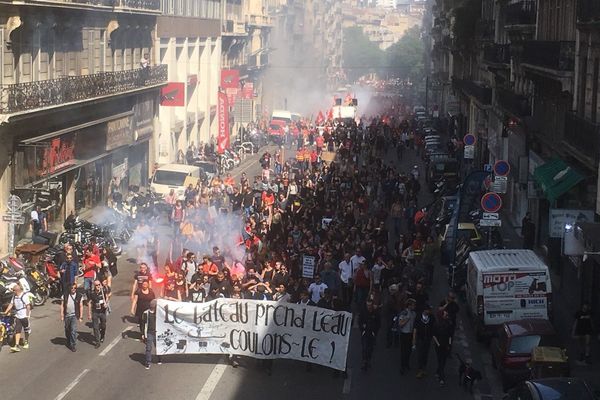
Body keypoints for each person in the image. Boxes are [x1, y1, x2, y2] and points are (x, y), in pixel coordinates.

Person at [3, 283, 31, 352]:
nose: (13, 292)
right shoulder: (14, 296)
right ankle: (17, 345)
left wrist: (27, 316)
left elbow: (28, 306)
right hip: (18, 315)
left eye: (14, 290)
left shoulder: (24, 296)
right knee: (17, 330)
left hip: (24, 315)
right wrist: (6, 312)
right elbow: (11, 304)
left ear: (17, 291)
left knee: (26, 330)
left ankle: (26, 341)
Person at [60, 283, 83, 352]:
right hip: (67, 315)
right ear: (69, 288)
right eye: (72, 288)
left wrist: (81, 316)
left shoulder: (79, 296)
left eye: (75, 288)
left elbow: (81, 306)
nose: (73, 289)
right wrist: (61, 315)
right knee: (67, 330)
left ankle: (72, 344)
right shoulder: (65, 295)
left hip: (74, 315)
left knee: (73, 330)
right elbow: (62, 305)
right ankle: (68, 340)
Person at [88, 279, 111, 348]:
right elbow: (89, 303)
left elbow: (107, 297)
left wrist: (106, 303)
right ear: (94, 286)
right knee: (95, 327)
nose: (98, 286)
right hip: (95, 312)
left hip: (102, 311)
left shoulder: (103, 291)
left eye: (99, 285)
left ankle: (102, 335)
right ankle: (97, 342)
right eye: (96, 285)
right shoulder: (91, 293)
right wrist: (89, 313)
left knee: (103, 326)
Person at [413, 305, 434, 379]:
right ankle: (420, 369)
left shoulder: (431, 318)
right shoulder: (418, 317)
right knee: (420, 355)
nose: (429, 311)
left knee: (425, 354)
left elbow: (433, 327)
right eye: (428, 310)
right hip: (420, 339)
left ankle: (424, 368)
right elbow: (415, 329)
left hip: (427, 339)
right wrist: (414, 341)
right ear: (424, 310)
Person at [359, 300, 381, 371]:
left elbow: (378, 323)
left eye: (370, 305)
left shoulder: (376, 313)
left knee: (370, 348)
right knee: (364, 347)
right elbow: (360, 321)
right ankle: (364, 361)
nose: (368, 307)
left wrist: (375, 332)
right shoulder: (363, 312)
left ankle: (368, 359)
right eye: (367, 305)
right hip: (365, 333)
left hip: (372, 333)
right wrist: (362, 330)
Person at [141, 299, 162, 370]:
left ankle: (159, 359)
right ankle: (148, 362)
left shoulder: (159, 313)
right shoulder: (146, 313)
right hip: (149, 333)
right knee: (148, 348)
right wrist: (143, 334)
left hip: (157, 332)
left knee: (158, 347)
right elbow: (143, 324)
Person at [398, 298, 416, 374]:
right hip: (404, 334)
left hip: (410, 333)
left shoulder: (414, 314)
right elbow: (400, 324)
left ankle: (407, 363)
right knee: (403, 350)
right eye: (413, 305)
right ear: (409, 306)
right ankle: (402, 366)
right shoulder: (404, 313)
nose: (414, 306)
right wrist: (406, 320)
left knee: (408, 350)